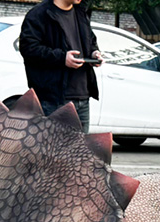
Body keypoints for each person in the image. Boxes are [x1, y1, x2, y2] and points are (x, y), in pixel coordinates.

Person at [19, 0, 102, 133]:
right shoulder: (39, 14)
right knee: (54, 151)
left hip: (82, 96)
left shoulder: (81, 12)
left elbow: (90, 40)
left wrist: (93, 53)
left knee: (79, 151)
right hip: (55, 99)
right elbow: (29, 48)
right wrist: (62, 58)